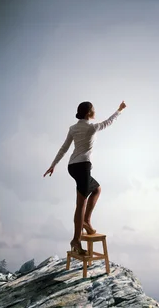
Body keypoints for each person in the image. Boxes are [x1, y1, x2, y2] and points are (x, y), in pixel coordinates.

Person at [44, 100, 127, 255]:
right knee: (80, 205)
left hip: (73, 166)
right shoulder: (92, 127)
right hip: (83, 167)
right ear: (89, 113)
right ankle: (76, 240)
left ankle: (87, 222)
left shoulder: (73, 128)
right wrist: (120, 110)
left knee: (96, 189)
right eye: (94, 109)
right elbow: (109, 122)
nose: (95, 110)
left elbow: (64, 148)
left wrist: (53, 164)